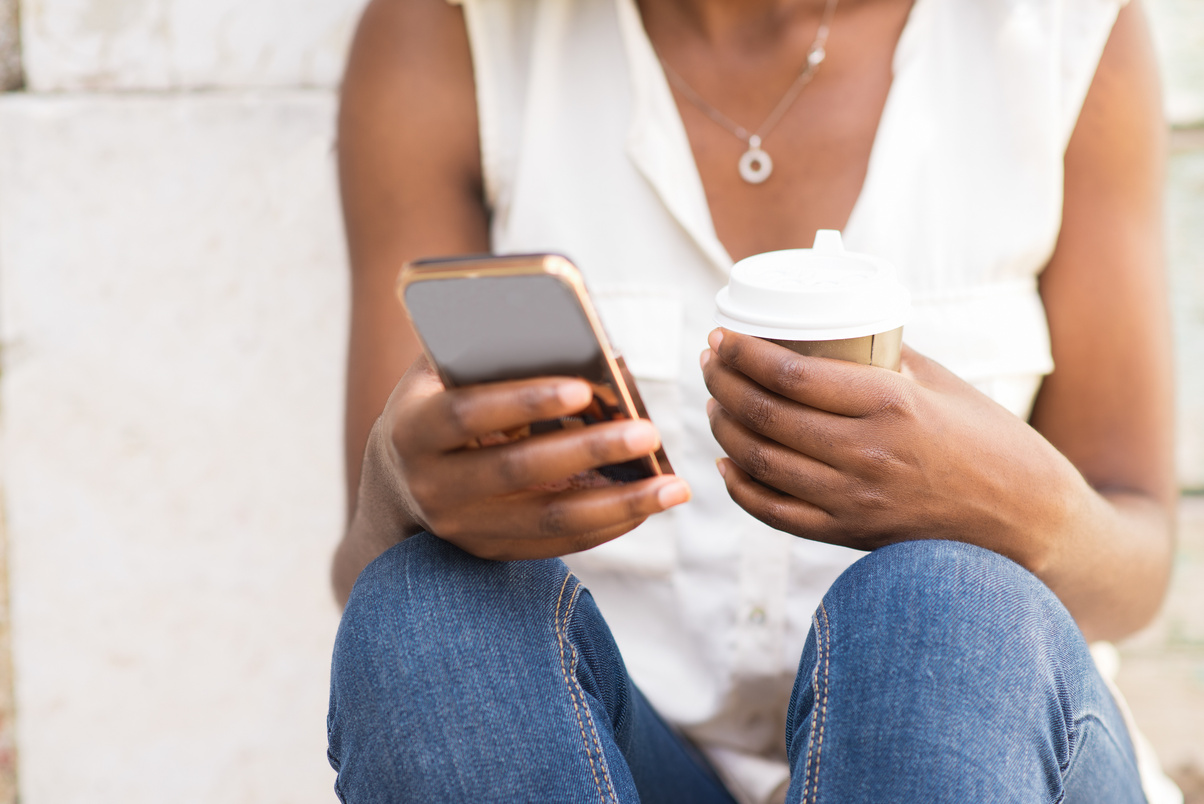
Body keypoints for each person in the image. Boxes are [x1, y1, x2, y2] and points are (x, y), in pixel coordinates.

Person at [326, 0, 1181, 800]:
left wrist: (1014, 508)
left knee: (942, 606)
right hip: (609, 762)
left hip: (973, 751)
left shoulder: (1059, 30)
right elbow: (363, 579)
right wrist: (396, 497)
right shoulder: (450, 29)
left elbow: (1139, 566)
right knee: (421, 609)